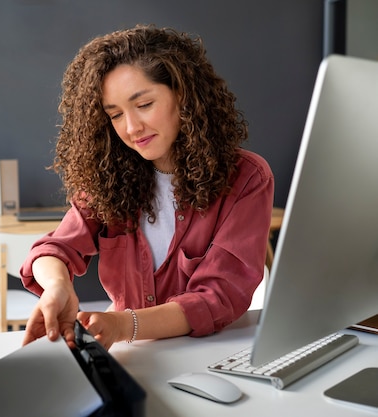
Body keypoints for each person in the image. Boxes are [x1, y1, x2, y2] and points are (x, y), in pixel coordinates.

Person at [20, 24, 274, 351]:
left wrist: (124, 324)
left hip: (210, 354)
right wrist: (58, 286)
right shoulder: (109, 177)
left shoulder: (246, 177)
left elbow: (218, 296)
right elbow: (55, 249)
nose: (131, 128)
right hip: (134, 351)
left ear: (182, 94)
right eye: (115, 115)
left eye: (143, 105)